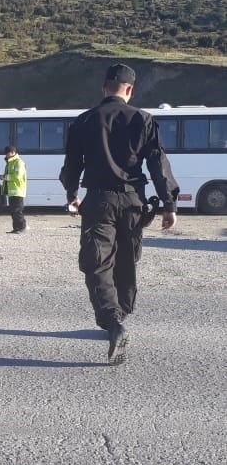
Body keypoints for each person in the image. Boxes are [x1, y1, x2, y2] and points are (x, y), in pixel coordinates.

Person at [59, 63, 179, 365]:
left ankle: (113, 322)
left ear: (103, 88)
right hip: (134, 201)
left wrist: (72, 195)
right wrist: (169, 205)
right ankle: (120, 314)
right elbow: (158, 165)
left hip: (99, 200)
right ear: (130, 89)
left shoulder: (84, 121)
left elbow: (72, 165)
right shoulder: (143, 119)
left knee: (97, 262)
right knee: (126, 257)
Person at [0, 145, 27, 233]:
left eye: (7, 154)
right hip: (12, 191)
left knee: (17, 211)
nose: (6, 155)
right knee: (13, 211)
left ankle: (22, 228)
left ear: (12, 153)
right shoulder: (10, 162)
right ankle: (16, 228)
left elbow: (17, 176)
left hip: (18, 190)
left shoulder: (19, 162)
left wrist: (4, 177)